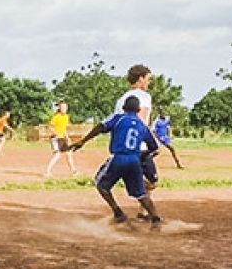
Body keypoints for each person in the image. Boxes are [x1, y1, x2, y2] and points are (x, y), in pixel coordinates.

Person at [69, 96, 162, 225]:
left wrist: (83, 141)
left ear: (124, 108)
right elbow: (155, 148)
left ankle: (118, 212)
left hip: (118, 158)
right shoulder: (142, 126)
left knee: (100, 184)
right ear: (138, 110)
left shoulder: (118, 118)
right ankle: (156, 219)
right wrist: (139, 156)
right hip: (134, 160)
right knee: (140, 194)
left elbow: (101, 127)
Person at [44, 102, 78, 178]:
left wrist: (67, 137)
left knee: (69, 154)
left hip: (62, 138)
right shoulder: (56, 117)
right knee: (57, 155)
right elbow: (50, 127)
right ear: (59, 108)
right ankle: (47, 172)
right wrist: (55, 133)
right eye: (62, 107)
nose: (64, 109)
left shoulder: (66, 117)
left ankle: (74, 171)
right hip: (55, 138)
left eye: (65, 107)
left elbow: (64, 129)